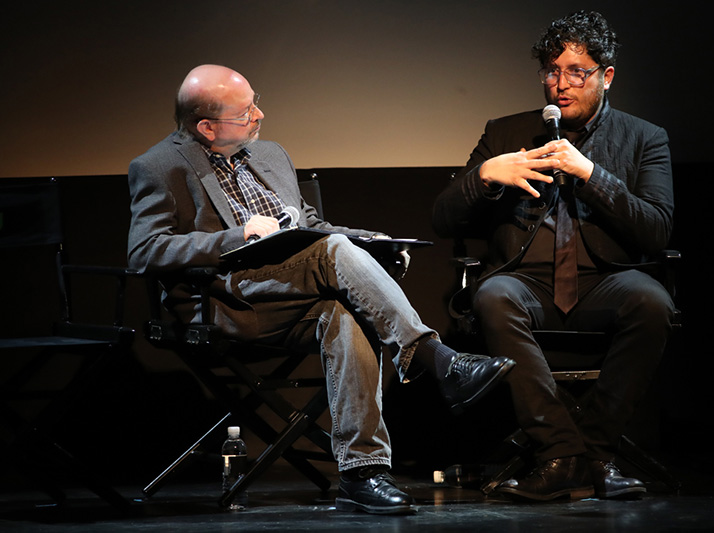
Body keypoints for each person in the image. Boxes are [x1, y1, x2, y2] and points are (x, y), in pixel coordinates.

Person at [127, 64, 515, 515]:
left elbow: (312, 228)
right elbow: (145, 251)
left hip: (295, 292)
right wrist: (237, 237)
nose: (259, 114)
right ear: (207, 127)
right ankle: (439, 362)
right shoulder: (159, 166)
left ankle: (361, 473)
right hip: (227, 301)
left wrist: (370, 243)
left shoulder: (270, 155)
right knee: (333, 253)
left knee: (346, 310)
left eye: (255, 101)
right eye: (246, 110)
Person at [433, 11, 675, 501]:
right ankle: (565, 454)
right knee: (494, 296)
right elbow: (442, 220)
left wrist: (593, 175)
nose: (560, 85)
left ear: (606, 77)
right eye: (551, 71)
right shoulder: (504, 133)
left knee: (652, 302)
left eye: (576, 72)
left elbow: (656, 230)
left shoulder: (644, 138)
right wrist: (484, 177)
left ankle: (591, 453)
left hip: (606, 280)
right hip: (526, 281)